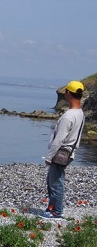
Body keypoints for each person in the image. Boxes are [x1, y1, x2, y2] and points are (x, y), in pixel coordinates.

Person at [42, 80, 85, 219]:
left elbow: (59, 139)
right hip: (70, 151)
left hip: (62, 152)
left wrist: (49, 157)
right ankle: (52, 207)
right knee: (53, 180)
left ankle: (56, 211)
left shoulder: (68, 116)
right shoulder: (80, 113)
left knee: (55, 182)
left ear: (68, 93)